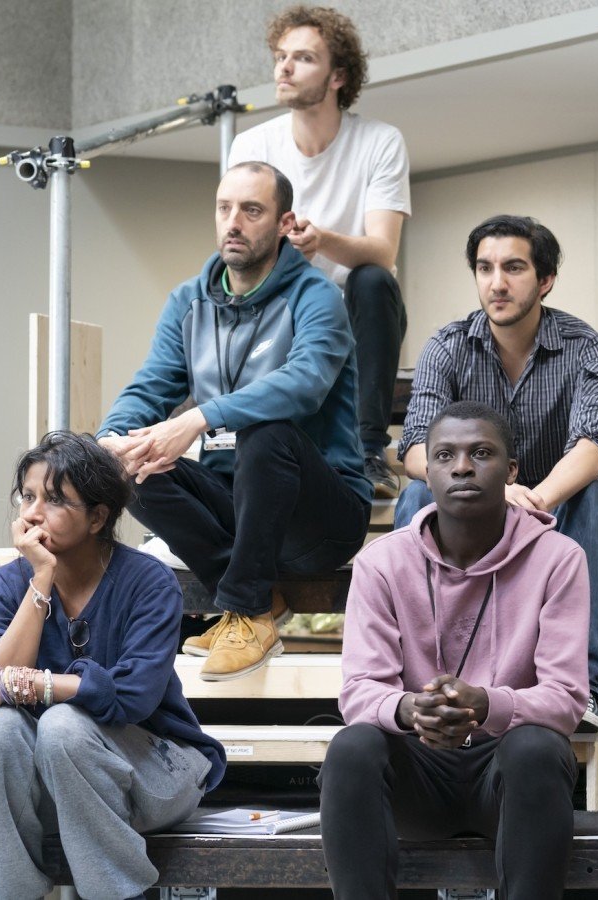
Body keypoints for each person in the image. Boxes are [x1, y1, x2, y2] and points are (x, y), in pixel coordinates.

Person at [97, 161, 371, 682]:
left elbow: (306, 382)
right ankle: (255, 606)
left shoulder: (317, 298)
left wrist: (198, 418)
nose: (234, 223)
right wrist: (109, 440)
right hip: (238, 506)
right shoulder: (188, 302)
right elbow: (151, 385)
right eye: (225, 209)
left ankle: (243, 610)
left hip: (320, 517)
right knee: (135, 463)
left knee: (268, 433)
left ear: (284, 223)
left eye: (251, 210)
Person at [318, 401, 590, 900]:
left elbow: (567, 699)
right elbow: (358, 691)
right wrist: (409, 708)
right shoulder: (382, 562)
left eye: (480, 453)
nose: (462, 466)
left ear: (511, 472)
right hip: (417, 777)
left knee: (538, 746)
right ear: (429, 472)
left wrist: (485, 702)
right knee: (352, 747)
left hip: (507, 778)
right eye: (444, 455)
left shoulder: (559, 559)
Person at [0, 431, 225, 900]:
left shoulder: (149, 582)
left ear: (98, 517)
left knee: (64, 725)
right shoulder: (7, 584)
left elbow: (133, 696)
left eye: (56, 500)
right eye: (28, 496)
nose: (32, 513)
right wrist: (40, 579)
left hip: (153, 770)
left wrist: (31, 685)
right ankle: (9, 893)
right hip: (48, 779)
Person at [395, 214, 598, 731]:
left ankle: (580, 691)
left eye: (514, 268)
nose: (496, 282)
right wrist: (493, 493)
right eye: (485, 268)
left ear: (545, 280)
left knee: (597, 499)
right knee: (413, 498)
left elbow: (591, 447)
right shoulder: (448, 346)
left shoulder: (585, 346)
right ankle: (424, 685)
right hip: (468, 510)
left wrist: (529, 497)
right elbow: (414, 451)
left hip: (551, 512)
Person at [227, 4, 410, 499]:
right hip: (281, 301)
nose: (283, 69)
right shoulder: (253, 143)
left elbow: (383, 249)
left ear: (338, 76)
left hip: (353, 308)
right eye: (280, 56)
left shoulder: (379, 142)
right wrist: (285, 253)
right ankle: (246, 448)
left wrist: (322, 239)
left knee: (375, 280)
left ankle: (369, 448)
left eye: (303, 58)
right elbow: (238, 247)